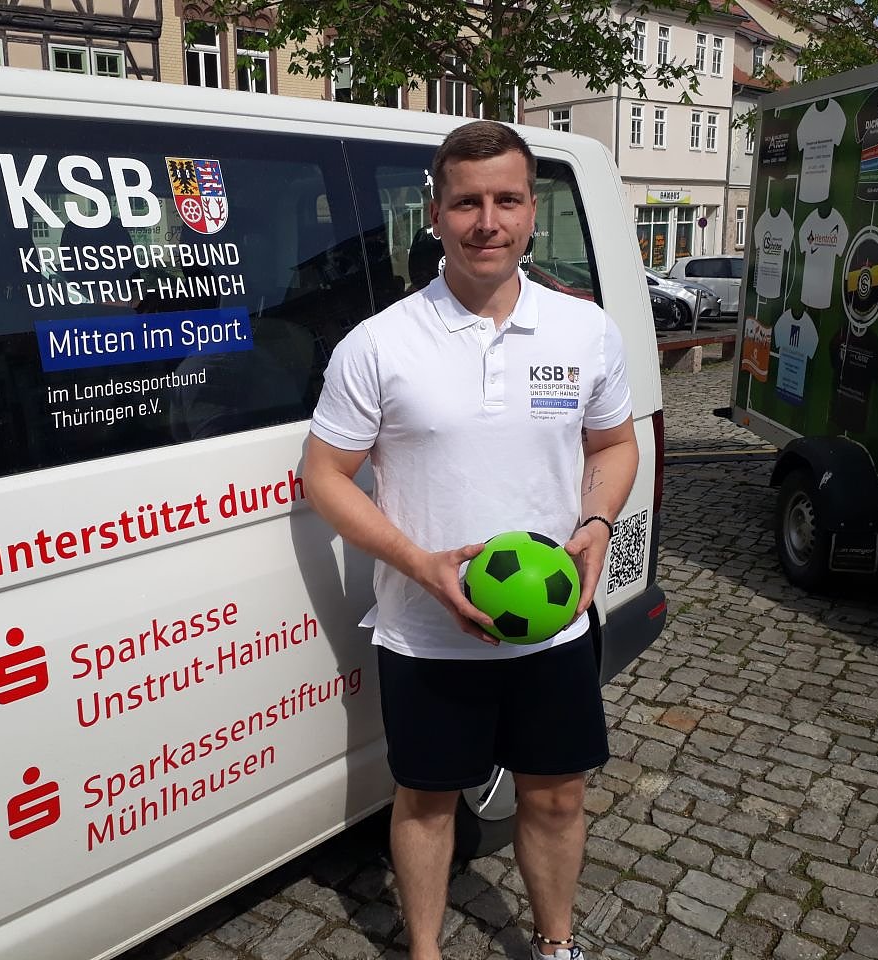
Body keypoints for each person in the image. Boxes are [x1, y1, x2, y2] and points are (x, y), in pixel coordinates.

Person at [303, 120, 639, 960]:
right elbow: (324, 475)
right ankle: (425, 952)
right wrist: (420, 565)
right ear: (435, 214)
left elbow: (614, 444)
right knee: (426, 805)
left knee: (557, 799)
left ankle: (556, 946)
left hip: (552, 629)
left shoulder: (585, 331)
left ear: (532, 212)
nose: (487, 221)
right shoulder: (379, 343)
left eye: (507, 200)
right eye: (466, 203)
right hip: (426, 634)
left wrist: (597, 523)